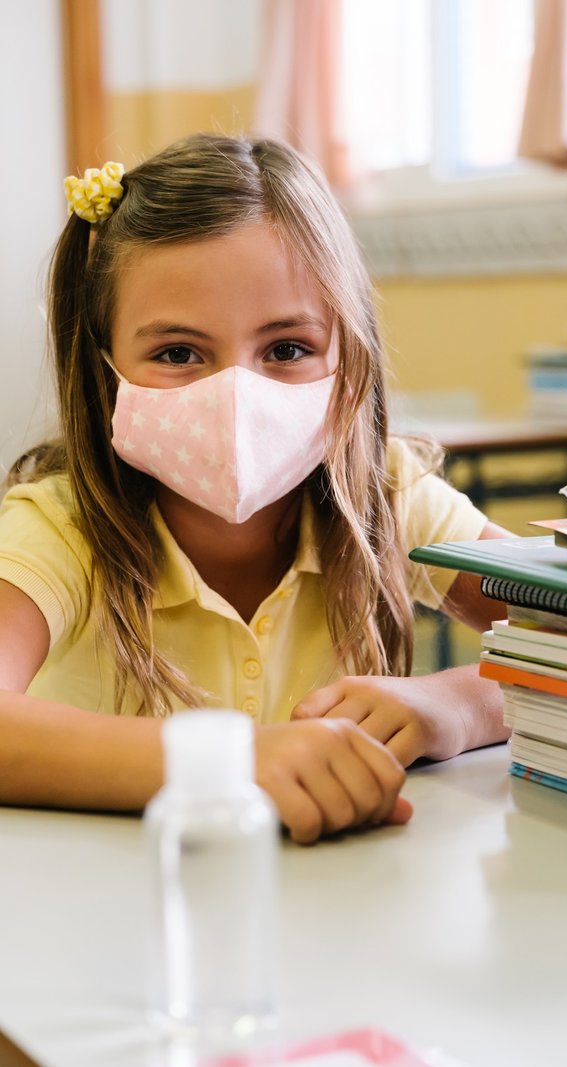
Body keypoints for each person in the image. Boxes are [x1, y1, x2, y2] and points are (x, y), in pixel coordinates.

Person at [0, 134, 510, 844]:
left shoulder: (385, 495)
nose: (237, 396)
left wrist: (460, 704)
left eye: (287, 349)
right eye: (178, 353)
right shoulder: (59, 528)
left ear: (347, 348)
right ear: (104, 364)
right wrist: (227, 763)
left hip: (329, 918)